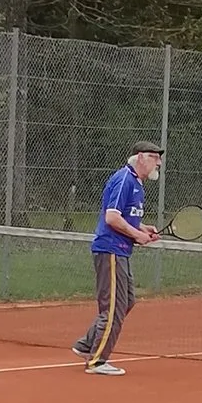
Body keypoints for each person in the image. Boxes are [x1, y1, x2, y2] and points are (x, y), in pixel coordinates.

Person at [74, 137, 162, 376]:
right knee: (113, 308)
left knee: (127, 300)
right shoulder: (124, 179)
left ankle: (86, 343)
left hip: (120, 250)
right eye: (154, 158)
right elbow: (111, 217)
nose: (159, 163)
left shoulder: (136, 183)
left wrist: (142, 229)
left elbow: (124, 216)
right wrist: (137, 235)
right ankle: (97, 361)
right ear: (141, 158)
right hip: (110, 250)